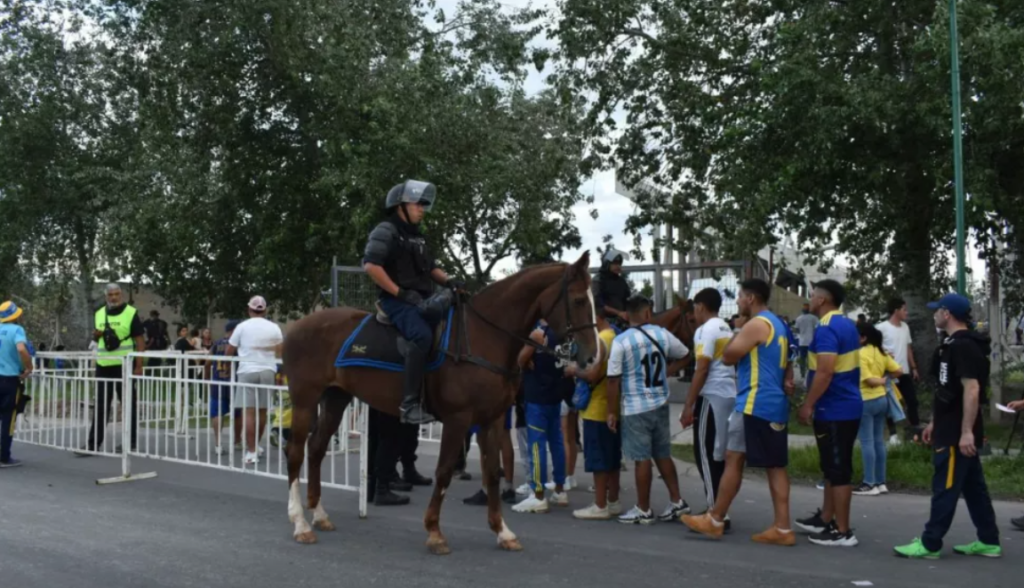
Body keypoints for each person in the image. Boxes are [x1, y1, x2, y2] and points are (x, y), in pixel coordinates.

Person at [682, 278, 795, 546]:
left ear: (751, 298)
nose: (739, 301)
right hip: (773, 402)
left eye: (741, 296)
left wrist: (738, 330)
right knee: (775, 466)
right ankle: (782, 527)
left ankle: (715, 519)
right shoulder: (780, 325)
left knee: (733, 459)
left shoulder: (756, 324)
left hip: (753, 402)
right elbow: (789, 362)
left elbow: (729, 356)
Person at [894, 294, 1001, 559]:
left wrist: (965, 432)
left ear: (947, 313)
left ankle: (930, 543)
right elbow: (946, 390)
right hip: (949, 425)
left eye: (936, 311)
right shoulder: (951, 345)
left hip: (956, 431)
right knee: (973, 487)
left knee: (946, 486)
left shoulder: (964, 346)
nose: (933, 315)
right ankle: (989, 540)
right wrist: (933, 421)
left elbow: (972, 389)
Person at [362, 180, 463, 424]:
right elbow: (371, 266)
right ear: (401, 206)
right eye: (418, 204)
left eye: (424, 204)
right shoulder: (385, 230)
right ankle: (409, 405)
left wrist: (450, 281)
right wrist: (400, 293)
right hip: (396, 300)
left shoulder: (419, 236)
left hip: (421, 298)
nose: (422, 208)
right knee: (422, 336)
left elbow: (432, 269)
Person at [606, 295, 691, 525]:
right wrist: (668, 371)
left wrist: (611, 411)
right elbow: (685, 355)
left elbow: (613, 380)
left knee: (641, 458)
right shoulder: (662, 334)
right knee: (662, 453)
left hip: (635, 407)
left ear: (628, 314)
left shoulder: (621, 341)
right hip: (660, 403)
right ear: (646, 313)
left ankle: (643, 508)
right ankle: (677, 501)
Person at [796, 280, 862, 547]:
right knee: (831, 467)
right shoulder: (846, 324)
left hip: (835, 408)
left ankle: (843, 531)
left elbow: (824, 371)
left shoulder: (826, 328)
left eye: (812, 295)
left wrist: (808, 404)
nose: (809, 299)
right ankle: (826, 517)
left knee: (838, 469)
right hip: (844, 405)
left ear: (822, 300)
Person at [680, 288, 737, 525]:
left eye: (694, 308)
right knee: (719, 453)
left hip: (711, 395)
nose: (694, 313)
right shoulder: (726, 327)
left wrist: (688, 404)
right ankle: (720, 509)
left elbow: (702, 368)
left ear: (701, 306)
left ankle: (714, 513)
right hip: (729, 394)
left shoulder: (705, 330)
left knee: (704, 453)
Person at [567, 312, 621, 520]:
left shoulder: (601, 340)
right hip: (613, 407)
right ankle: (613, 501)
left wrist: (574, 371)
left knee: (598, 460)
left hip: (597, 408)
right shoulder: (615, 336)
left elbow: (593, 374)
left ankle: (600, 504)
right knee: (613, 459)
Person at [512, 319, 570, 513]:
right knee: (557, 443)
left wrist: (529, 347)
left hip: (537, 395)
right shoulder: (564, 332)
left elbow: (520, 360)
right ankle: (560, 489)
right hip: (556, 393)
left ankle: (538, 494)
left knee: (536, 446)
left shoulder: (539, 332)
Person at [83, 283, 145, 454]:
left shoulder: (130, 313)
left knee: (128, 404)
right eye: (111, 294)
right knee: (101, 405)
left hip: (125, 365)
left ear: (121, 295)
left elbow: (139, 340)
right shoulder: (99, 314)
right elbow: (97, 337)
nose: (114, 297)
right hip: (104, 365)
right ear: (106, 296)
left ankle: (129, 442)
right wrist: (95, 336)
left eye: (117, 294)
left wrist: (139, 365)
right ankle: (93, 444)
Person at [226, 296, 283, 465]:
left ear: (249, 309)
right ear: (264, 310)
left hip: (247, 370)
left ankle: (251, 452)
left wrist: (227, 361)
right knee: (263, 412)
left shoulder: (242, 327)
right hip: (268, 370)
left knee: (248, 413)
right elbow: (280, 351)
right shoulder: (274, 327)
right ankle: (256, 446)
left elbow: (230, 350)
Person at [853, 323, 902, 496]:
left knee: (867, 442)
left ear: (863, 337)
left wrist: (880, 380)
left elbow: (868, 380)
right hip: (882, 400)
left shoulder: (860, 354)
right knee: (879, 441)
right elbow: (899, 370)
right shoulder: (881, 353)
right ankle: (881, 482)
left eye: (856, 335)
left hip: (865, 400)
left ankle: (869, 483)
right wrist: (886, 379)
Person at [876, 298, 922, 437]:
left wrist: (914, 367)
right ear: (896, 310)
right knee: (890, 403)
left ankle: (915, 430)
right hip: (888, 373)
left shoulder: (905, 327)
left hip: (904, 372)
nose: (906, 312)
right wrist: (883, 353)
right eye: (904, 309)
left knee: (912, 401)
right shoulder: (881, 328)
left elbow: (908, 349)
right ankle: (893, 434)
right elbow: (873, 348)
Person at [0, 301, 33, 468]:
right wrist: (29, 366)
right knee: (8, 418)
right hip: (9, 379)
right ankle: (4, 457)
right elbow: (21, 349)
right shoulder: (17, 330)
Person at [208, 320, 242, 456]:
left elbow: (207, 362)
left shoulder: (216, 344)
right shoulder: (238, 346)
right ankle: (237, 441)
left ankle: (218, 444)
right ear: (234, 331)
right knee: (238, 412)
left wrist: (206, 379)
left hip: (218, 381)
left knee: (217, 413)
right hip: (234, 381)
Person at [592, 247, 632, 333]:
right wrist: (619, 313)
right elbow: (599, 305)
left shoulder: (621, 281)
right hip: (603, 322)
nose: (618, 266)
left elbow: (628, 299)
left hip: (622, 320)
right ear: (607, 263)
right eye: (615, 263)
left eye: (619, 264)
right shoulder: (598, 280)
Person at [794, 303, 819, 376]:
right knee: (811, 359)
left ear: (802, 310)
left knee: (802, 359)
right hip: (811, 342)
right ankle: (810, 373)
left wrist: (801, 331)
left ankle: (802, 373)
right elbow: (818, 328)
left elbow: (796, 329)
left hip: (802, 342)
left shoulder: (798, 318)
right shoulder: (814, 318)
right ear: (809, 310)